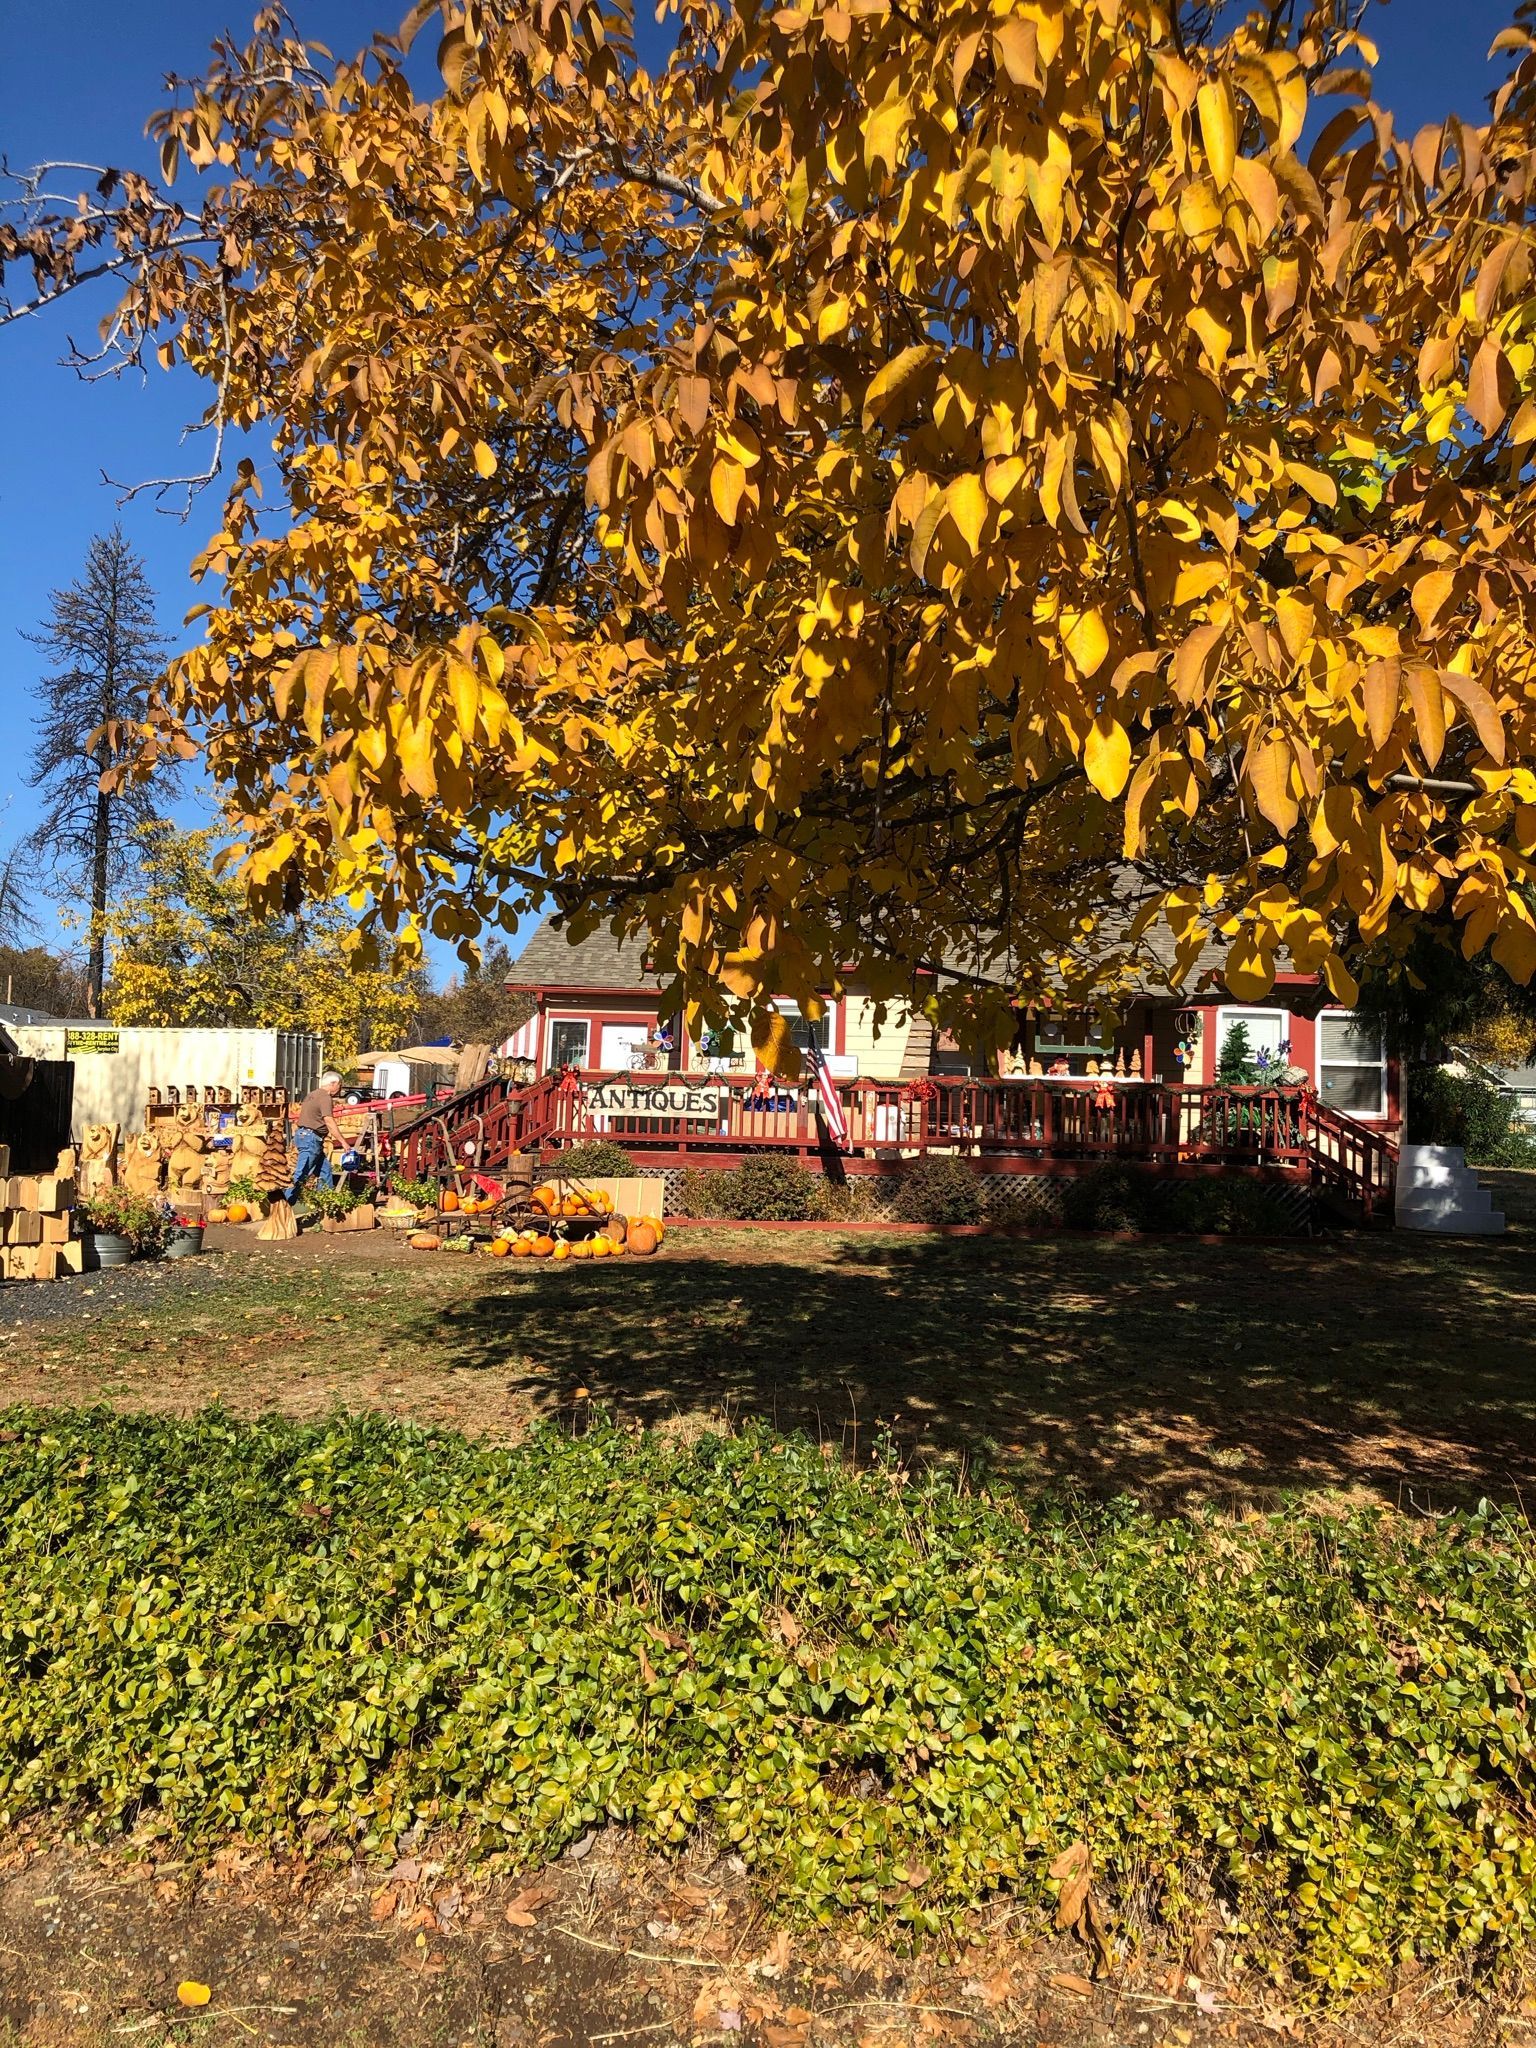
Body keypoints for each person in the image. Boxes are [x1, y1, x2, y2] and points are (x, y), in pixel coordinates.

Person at [282, 1071, 344, 1205]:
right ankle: (284, 1205)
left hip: (304, 1136)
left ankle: (325, 1205)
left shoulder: (312, 1095)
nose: (340, 1089)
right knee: (302, 1173)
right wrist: (344, 1143)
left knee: (325, 1171)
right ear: (333, 1083)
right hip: (311, 1139)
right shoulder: (325, 1098)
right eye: (339, 1085)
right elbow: (329, 1121)